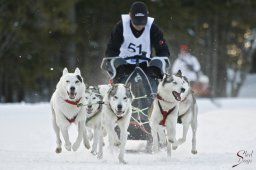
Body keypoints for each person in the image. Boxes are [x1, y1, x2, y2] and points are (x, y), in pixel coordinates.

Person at [104, 1, 170, 83]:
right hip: (123, 65)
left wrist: (157, 66)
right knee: (119, 86)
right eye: (136, 23)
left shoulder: (153, 28)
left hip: (146, 65)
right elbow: (111, 49)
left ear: (147, 15)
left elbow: (163, 50)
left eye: (142, 24)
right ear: (130, 15)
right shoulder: (120, 27)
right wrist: (117, 65)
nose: (140, 26)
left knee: (155, 81)